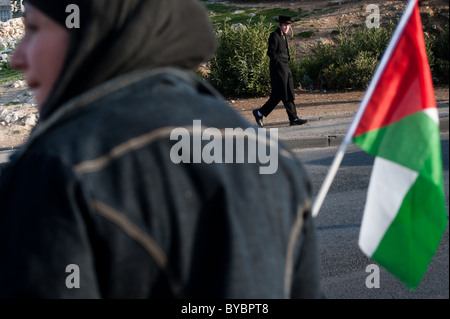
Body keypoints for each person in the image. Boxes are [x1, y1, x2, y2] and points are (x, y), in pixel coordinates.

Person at [0, 0, 322, 299]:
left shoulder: (56, 171)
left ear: (89, 32)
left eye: (34, 29)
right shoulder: (277, 163)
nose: (17, 56)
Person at [253, 15, 308, 128]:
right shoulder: (274, 35)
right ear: (280, 25)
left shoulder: (283, 36)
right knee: (281, 94)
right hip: (278, 70)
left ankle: (292, 118)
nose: (286, 27)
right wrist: (279, 64)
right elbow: (271, 52)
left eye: (288, 25)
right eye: (284, 25)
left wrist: (285, 63)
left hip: (285, 68)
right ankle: (261, 113)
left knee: (285, 93)